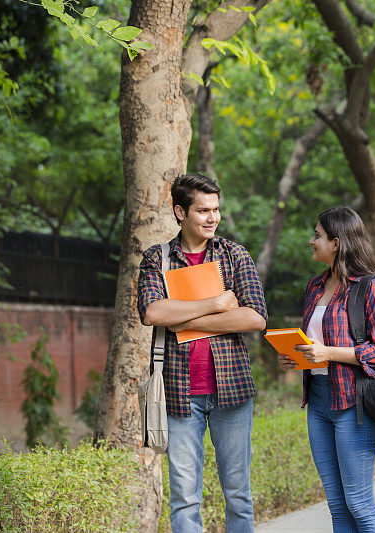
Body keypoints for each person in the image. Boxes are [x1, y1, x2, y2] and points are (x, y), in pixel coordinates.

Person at [137, 173, 267, 533]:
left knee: (239, 494)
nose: (212, 218)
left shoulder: (233, 256)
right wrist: (216, 304)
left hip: (232, 391)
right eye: (202, 210)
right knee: (184, 498)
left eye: (216, 210)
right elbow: (152, 313)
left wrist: (185, 319)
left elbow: (255, 317)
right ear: (180, 212)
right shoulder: (157, 259)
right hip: (179, 394)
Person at [277, 206, 375, 532]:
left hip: (353, 404)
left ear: (337, 243)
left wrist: (327, 352)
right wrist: (293, 356)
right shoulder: (315, 287)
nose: (311, 240)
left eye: (317, 235)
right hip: (317, 402)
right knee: (338, 506)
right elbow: (313, 344)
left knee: (358, 501)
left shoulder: (370, 288)